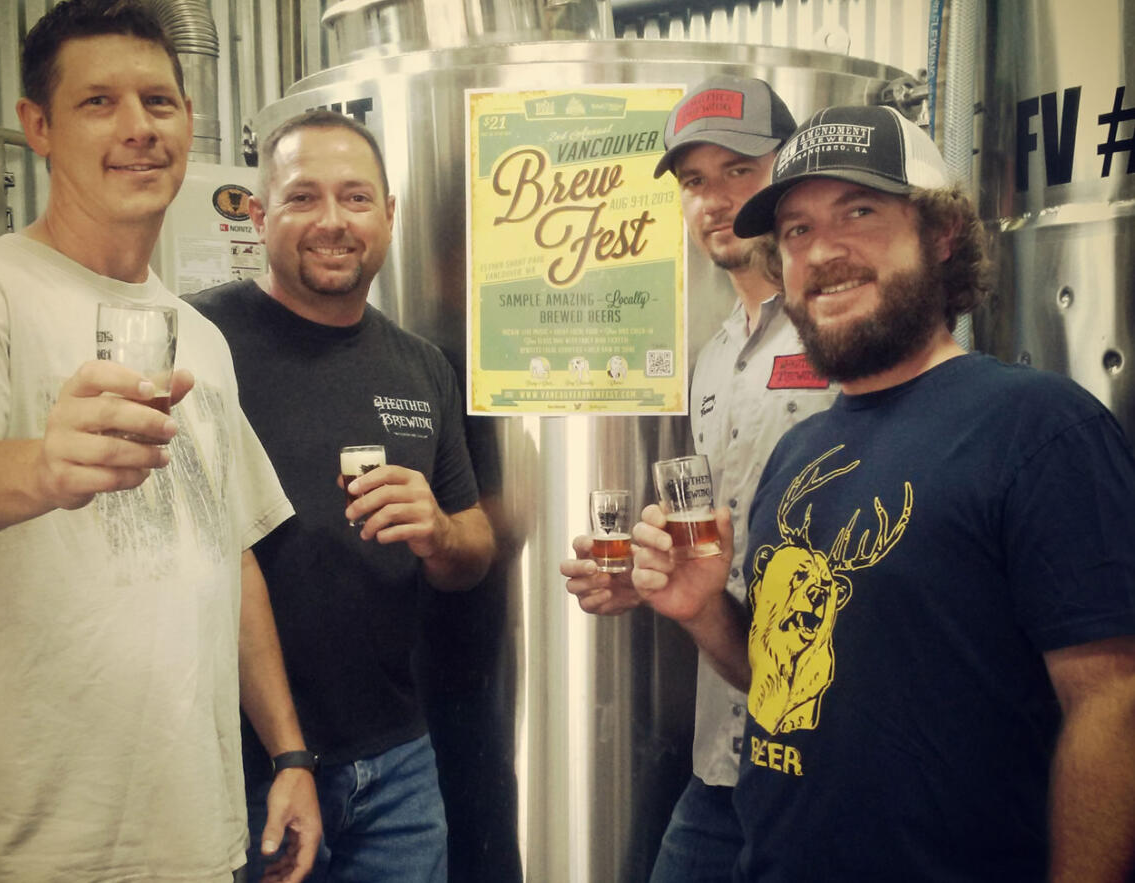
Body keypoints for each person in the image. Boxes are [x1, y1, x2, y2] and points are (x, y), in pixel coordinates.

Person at [629, 104, 1135, 882]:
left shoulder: (1039, 428)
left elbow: (1114, 708)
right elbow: (784, 677)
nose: (822, 251)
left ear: (940, 234)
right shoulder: (801, 453)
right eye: (795, 230)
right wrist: (703, 609)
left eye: (858, 212)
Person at [0, 0, 321, 883]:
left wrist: (289, 754)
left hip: (195, 838)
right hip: (19, 850)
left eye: (158, 102)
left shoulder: (199, 336)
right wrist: (45, 467)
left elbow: (232, 552)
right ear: (38, 126)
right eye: (99, 102)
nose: (138, 127)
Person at [188, 109, 495, 883]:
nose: (333, 222)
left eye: (356, 198)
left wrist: (439, 534)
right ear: (259, 216)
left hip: (398, 760)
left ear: (389, 216)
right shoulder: (199, 340)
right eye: (303, 198)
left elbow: (473, 549)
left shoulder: (421, 366)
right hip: (239, 766)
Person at [561, 74, 836, 883]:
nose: (715, 200)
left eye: (738, 171)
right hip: (722, 747)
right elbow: (718, 530)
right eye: (694, 182)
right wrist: (648, 576)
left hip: (822, 749)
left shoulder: (843, 325)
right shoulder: (713, 357)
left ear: (784, 174)